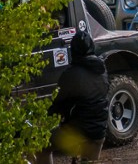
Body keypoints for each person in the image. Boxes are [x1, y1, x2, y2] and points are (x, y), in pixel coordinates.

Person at [36, 30, 109, 164]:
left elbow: (59, 105)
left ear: (73, 50)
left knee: (42, 146)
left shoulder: (71, 74)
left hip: (78, 132)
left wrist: (44, 119)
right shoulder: (102, 68)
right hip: (100, 130)